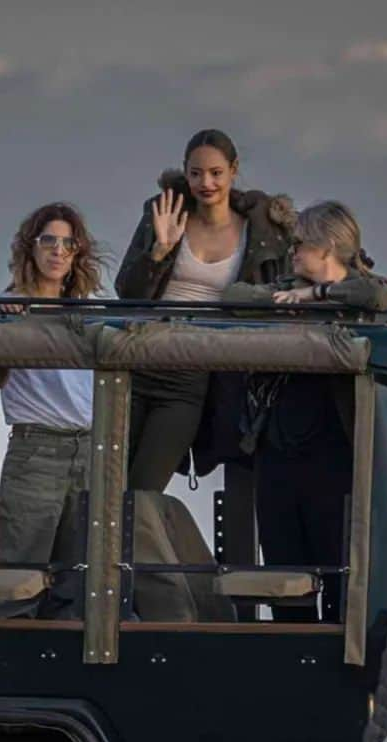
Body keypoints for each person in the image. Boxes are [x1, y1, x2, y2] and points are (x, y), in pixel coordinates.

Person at [115, 128, 295, 491]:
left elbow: (277, 298)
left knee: (143, 491)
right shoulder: (164, 213)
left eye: (215, 173)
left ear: (233, 170)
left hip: (192, 376)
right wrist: (159, 253)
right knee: (105, 485)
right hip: (140, 357)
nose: (205, 183)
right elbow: (127, 292)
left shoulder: (261, 232)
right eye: (195, 173)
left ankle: (138, 546)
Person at [247, 201, 387, 622]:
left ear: (328, 246)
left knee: (340, 580)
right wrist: (284, 300)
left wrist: (317, 295)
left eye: (300, 243)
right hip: (278, 457)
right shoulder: (283, 286)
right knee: (283, 579)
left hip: (334, 462)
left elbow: (379, 293)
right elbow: (234, 296)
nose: (292, 250)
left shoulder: (360, 294)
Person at [0, 203, 106, 612]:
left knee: (79, 579)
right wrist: (8, 327)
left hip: (90, 447)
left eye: (68, 243)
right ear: (31, 247)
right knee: (17, 576)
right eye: (48, 241)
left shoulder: (89, 311)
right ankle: (7, 667)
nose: (58, 251)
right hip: (37, 447)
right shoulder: (8, 306)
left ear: (78, 253)